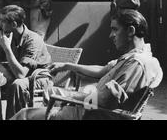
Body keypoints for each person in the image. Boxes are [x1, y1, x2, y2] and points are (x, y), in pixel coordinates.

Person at [13, 9, 163, 120]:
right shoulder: (136, 57)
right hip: (90, 111)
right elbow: (102, 71)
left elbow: (105, 100)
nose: (111, 35)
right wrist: (68, 65)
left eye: (115, 30)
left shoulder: (136, 65)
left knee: (24, 115)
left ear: (131, 31)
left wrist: (66, 95)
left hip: (90, 115)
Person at [0, 5, 52, 120]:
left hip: (39, 78)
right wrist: (4, 71)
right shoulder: (10, 35)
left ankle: (13, 118)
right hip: (17, 72)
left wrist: (7, 48)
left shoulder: (33, 40)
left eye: (3, 21)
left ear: (13, 24)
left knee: (17, 84)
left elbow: (21, 75)